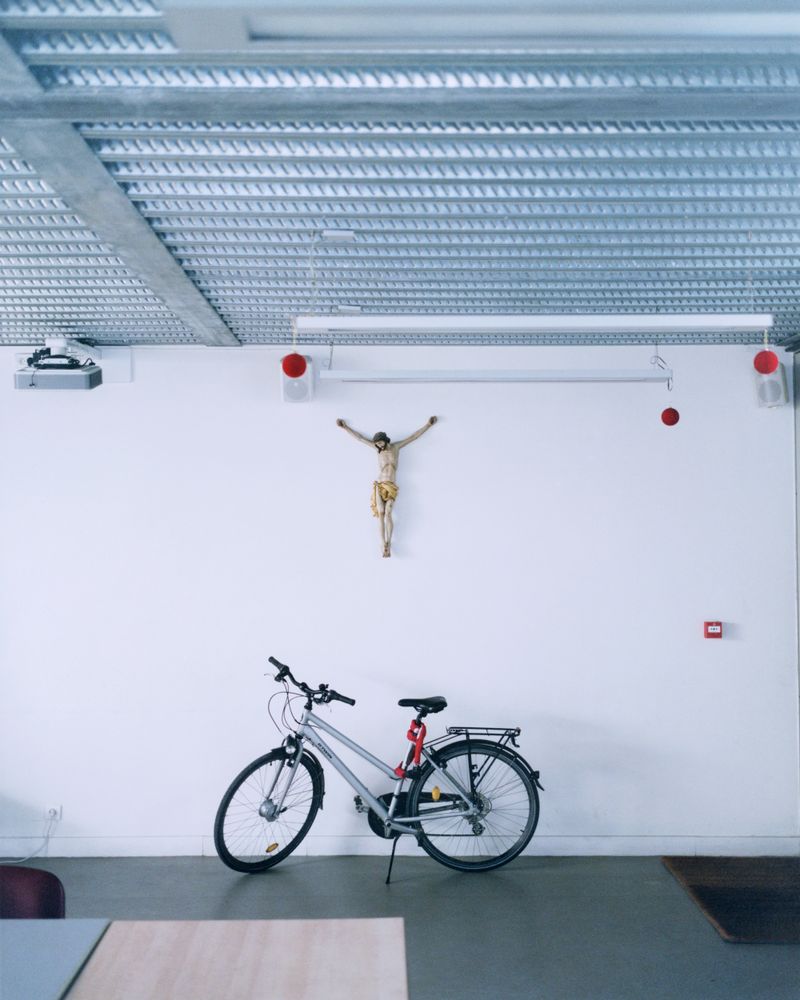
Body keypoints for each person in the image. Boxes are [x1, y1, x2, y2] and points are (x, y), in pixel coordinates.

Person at [336, 416, 437, 557]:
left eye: (380, 442)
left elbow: (413, 437)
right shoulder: (377, 449)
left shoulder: (396, 447)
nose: (378, 445)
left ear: (385, 439)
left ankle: (389, 542)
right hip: (380, 484)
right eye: (376, 444)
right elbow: (360, 438)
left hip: (391, 485)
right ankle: (383, 544)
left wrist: (428, 425)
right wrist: (345, 427)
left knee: (388, 512)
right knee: (381, 513)